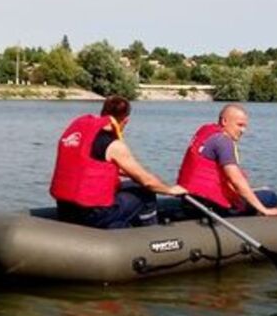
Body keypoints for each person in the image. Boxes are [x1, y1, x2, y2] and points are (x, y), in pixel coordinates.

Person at [50, 96, 187, 229]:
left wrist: (134, 176)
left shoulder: (81, 134)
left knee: (132, 185)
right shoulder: (113, 145)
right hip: (92, 215)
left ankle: (119, 229)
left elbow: (93, 166)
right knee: (146, 193)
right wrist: (170, 190)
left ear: (102, 113)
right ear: (125, 120)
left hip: (65, 210)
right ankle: (153, 237)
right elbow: (147, 182)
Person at [176, 103, 277, 218]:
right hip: (210, 205)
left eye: (245, 126)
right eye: (239, 125)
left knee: (257, 190)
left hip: (190, 199)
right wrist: (264, 210)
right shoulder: (223, 141)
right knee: (270, 196)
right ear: (224, 121)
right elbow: (236, 179)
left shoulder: (206, 132)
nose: (243, 130)